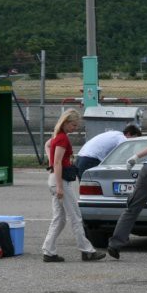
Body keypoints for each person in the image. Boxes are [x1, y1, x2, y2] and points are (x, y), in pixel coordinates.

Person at [42, 108, 106, 263]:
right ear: (66, 122)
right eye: (74, 125)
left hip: (54, 179)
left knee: (59, 218)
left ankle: (48, 251)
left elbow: (48, 145)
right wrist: (60, 187)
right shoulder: (63, 138)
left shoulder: (57, 136)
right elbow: (58, 162)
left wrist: (51, 164)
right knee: (75, 217)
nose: (75, 128)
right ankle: (87, 251)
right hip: (60, 181)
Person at [75, 124, 142, 180]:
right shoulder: (122, 138)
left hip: (80, 158)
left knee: (85, 190)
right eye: (134, 138)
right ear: (128, 134)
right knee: (92, 188)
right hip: (89, 160)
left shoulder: (114, 134)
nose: (133, 141)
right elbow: (124, 154)